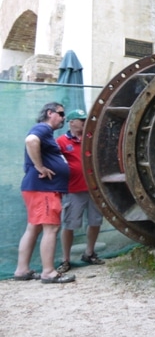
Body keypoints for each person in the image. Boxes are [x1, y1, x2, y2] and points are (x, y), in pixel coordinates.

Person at [13, 102, 75, 283]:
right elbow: (31, 141)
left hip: (38, 188)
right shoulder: (42, 128)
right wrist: (40, 167)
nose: (64, 118)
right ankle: (48, 272)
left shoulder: (46, 132)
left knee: (34, 227)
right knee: (51, 227)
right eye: (61, 114)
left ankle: (22, 270)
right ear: (50, 113)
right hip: (44, 189)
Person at [56, 108, 105, 272]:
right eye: (81, 120)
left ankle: (89, 253)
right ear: (71, 122)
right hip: (73, 190)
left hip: (94, 188)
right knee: (69, 225)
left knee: (95, 221)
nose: (85, 122)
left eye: (85, 119)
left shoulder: (91, 139)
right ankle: (65, 260)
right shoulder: (61, 141)